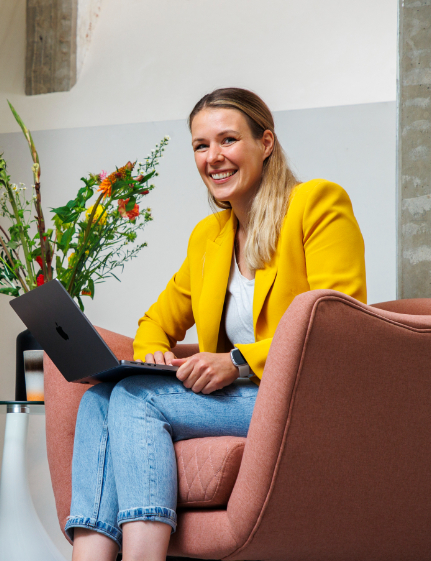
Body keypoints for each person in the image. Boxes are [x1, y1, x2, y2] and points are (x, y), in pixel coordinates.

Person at [66, 88, 366, 561]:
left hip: (302, 399)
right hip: (246, 400)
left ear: (265, 142)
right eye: (201, 146)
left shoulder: (316, 204)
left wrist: (238, 362)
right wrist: (152, 354)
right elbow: (155, 322)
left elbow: (338, 325)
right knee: (99, 399)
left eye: (227, 140)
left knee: (136, 397)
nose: (213, 158)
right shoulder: (210, 237)